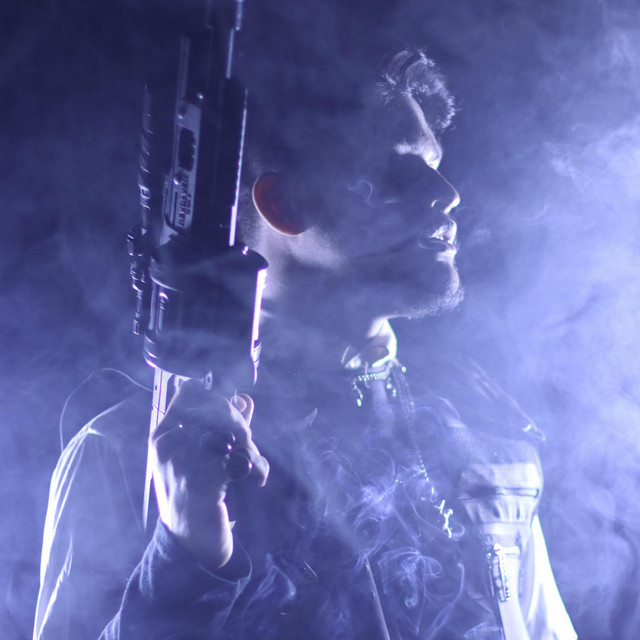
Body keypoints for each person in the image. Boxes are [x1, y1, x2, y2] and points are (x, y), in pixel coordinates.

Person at [33, 5, 577, 639]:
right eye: (393, 170)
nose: (446, 195)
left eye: (431, 165)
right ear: (284, 201)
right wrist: (184, 555)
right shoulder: (130, 456)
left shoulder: (484, 437)